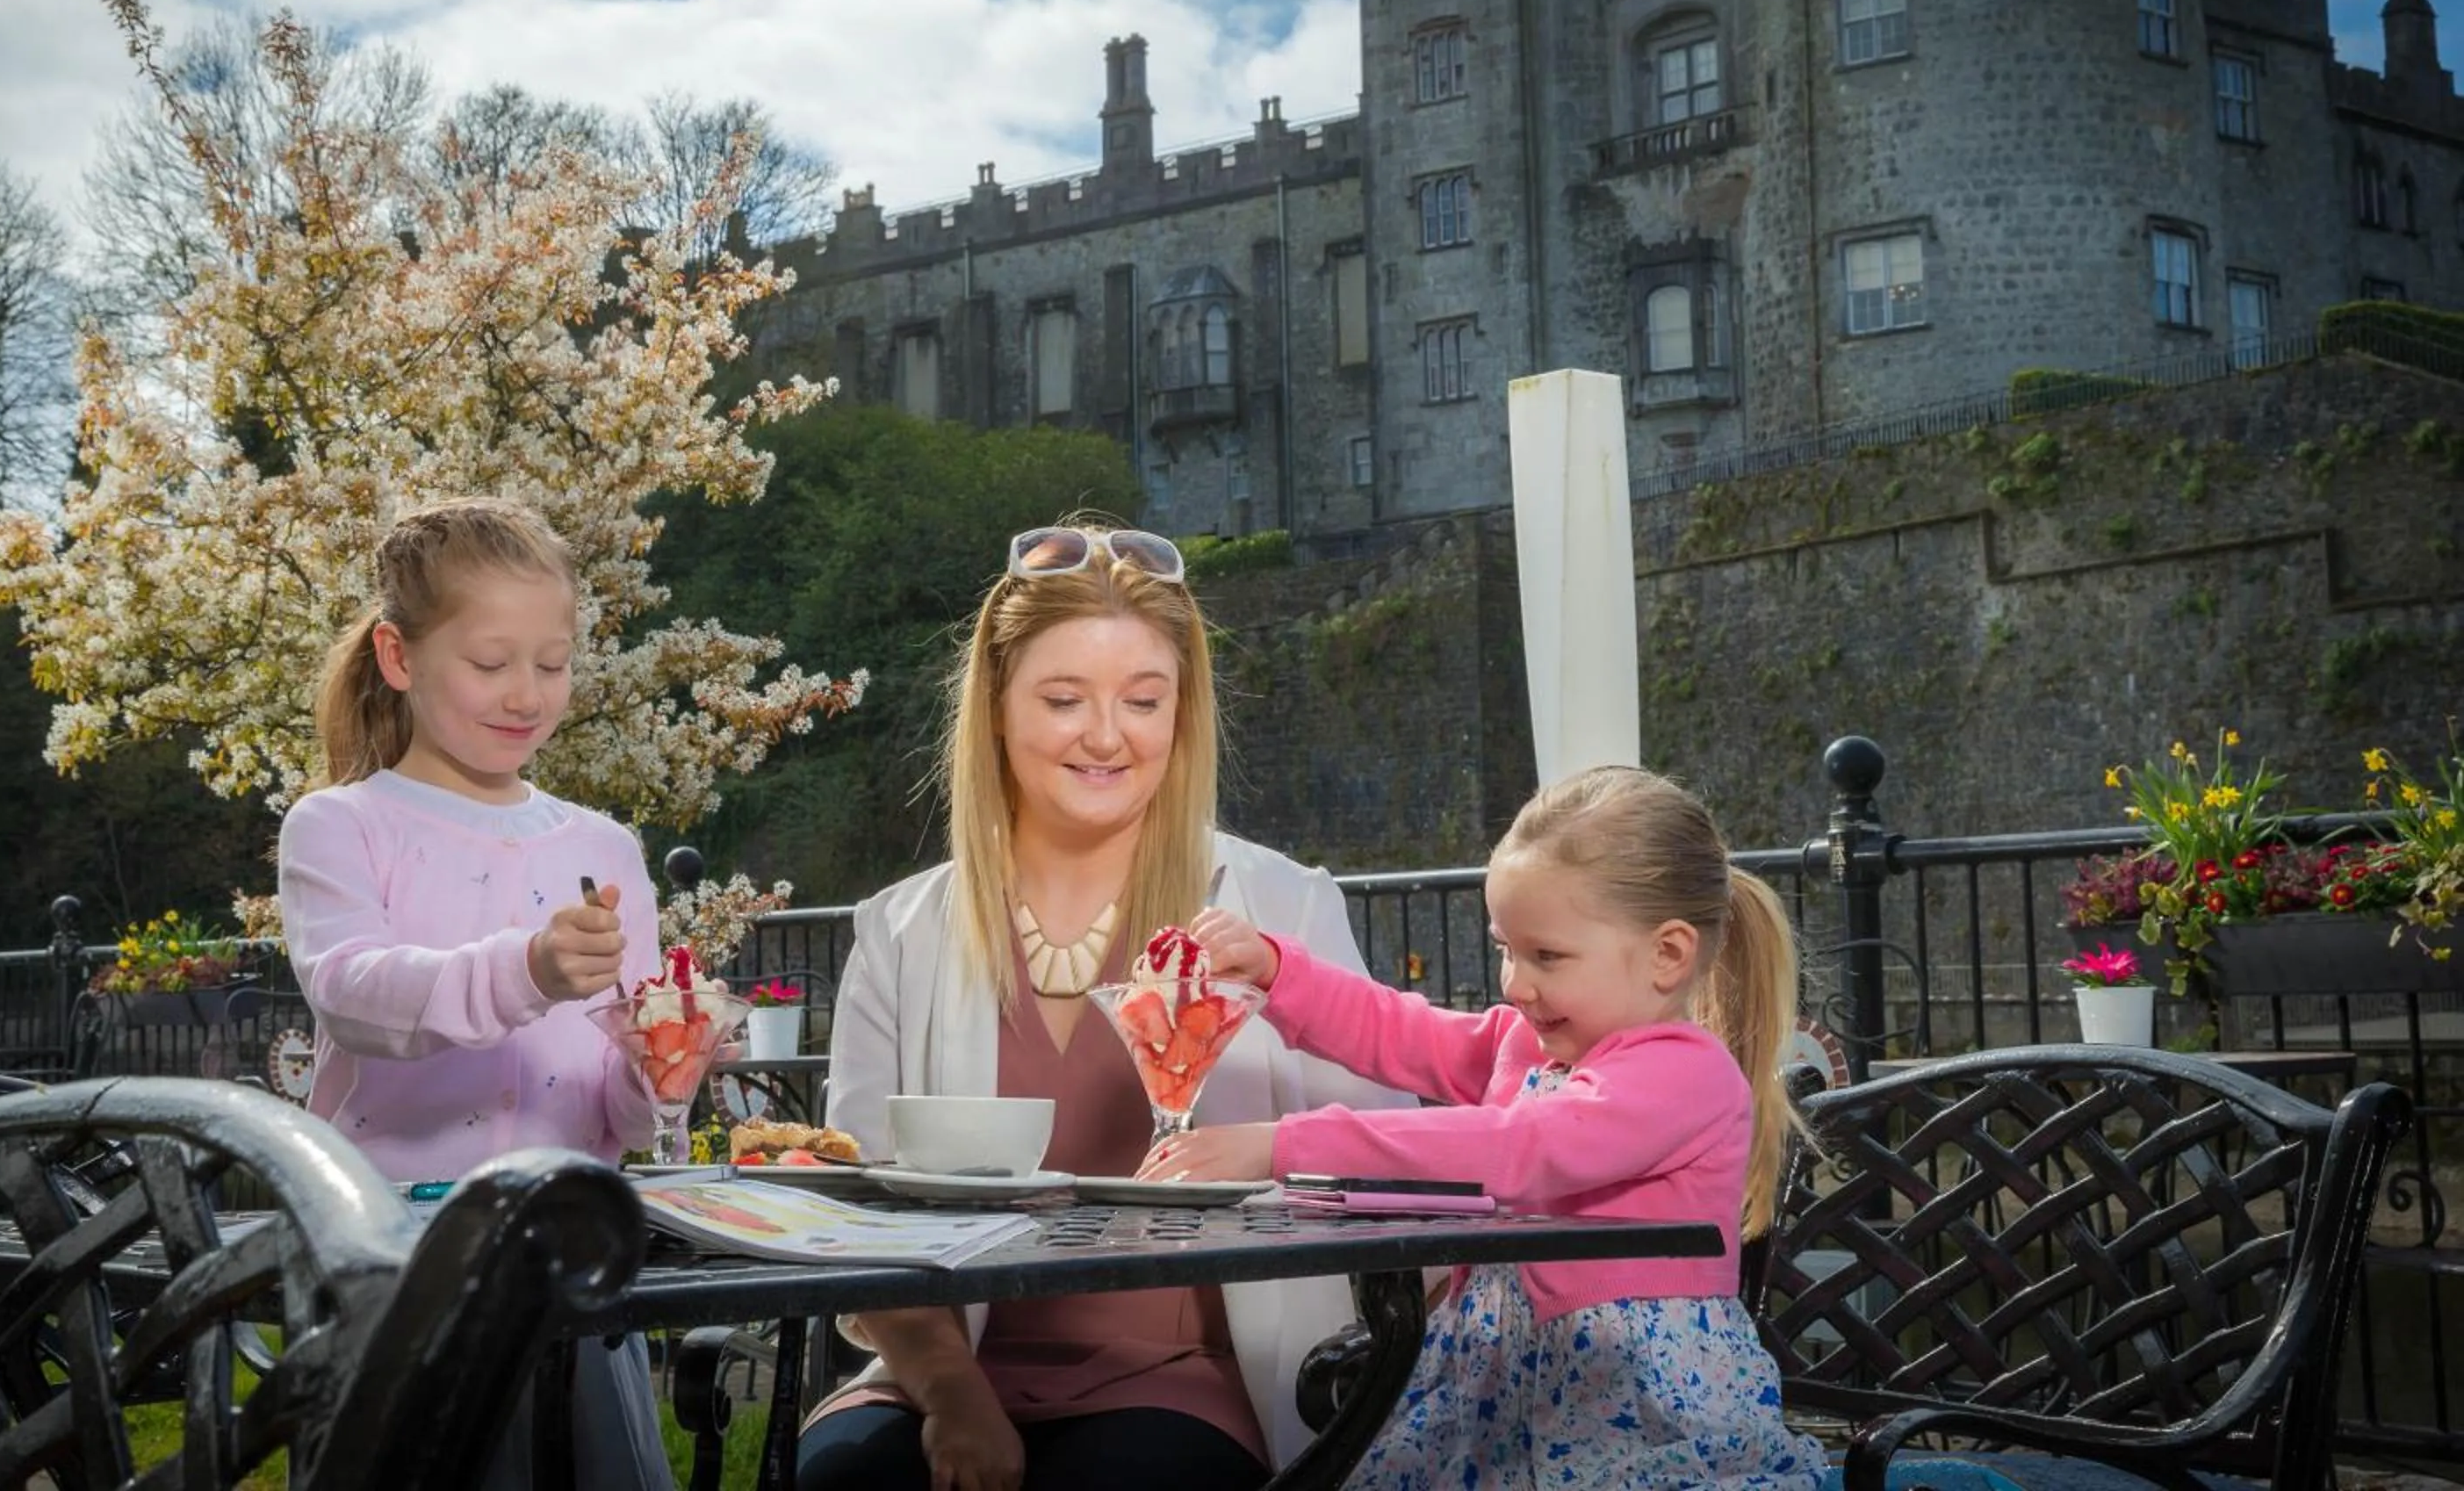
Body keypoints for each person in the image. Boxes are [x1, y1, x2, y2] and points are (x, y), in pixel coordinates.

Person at [799, 523, 1416, 1491]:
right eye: (1062, 698)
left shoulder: (1281, 908)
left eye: (1143, 700)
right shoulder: (901, 933)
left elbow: (1390, 1148)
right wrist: (957, 1394)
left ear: (1183, 712)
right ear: (996, 709)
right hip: (941, 1372)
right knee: (848, 1479)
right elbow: (866, 1224)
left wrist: (1271, 1146)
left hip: (1183, 1381)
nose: (1106, 734)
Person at [1149, 764, 1829, 1491]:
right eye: (1507, 948)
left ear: (1668, 955)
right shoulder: (1530, 1046)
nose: (1514, 982)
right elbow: (1398, 1033)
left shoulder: (1683, 1074)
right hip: (1499, 1389)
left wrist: (1283, 1144)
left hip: (1628, 1404)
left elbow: (1522, 1147)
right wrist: (1276, 971)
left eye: (1547, 956)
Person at [278, 495, 674, 1491]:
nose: (526, 695)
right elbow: (353, 992)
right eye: (491, 663)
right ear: (399, 656)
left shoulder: (604, 847)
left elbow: (616, 1107)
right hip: (397, 1261)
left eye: (553, 662)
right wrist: (525, 970)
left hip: (571, 1257)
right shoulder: (339, 826)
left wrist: (661, 1067)